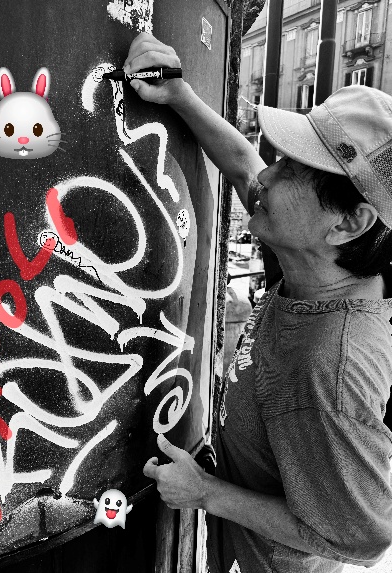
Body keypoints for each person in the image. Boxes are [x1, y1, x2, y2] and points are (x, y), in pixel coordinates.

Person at [124, 33, 392, 573]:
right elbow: (246, 168)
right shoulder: (313, 261)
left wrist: (206, 493)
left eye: (291, 170)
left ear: (349, 222)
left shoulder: (329, 366)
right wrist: (178, 95)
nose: (267, 176)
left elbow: (365, 538)